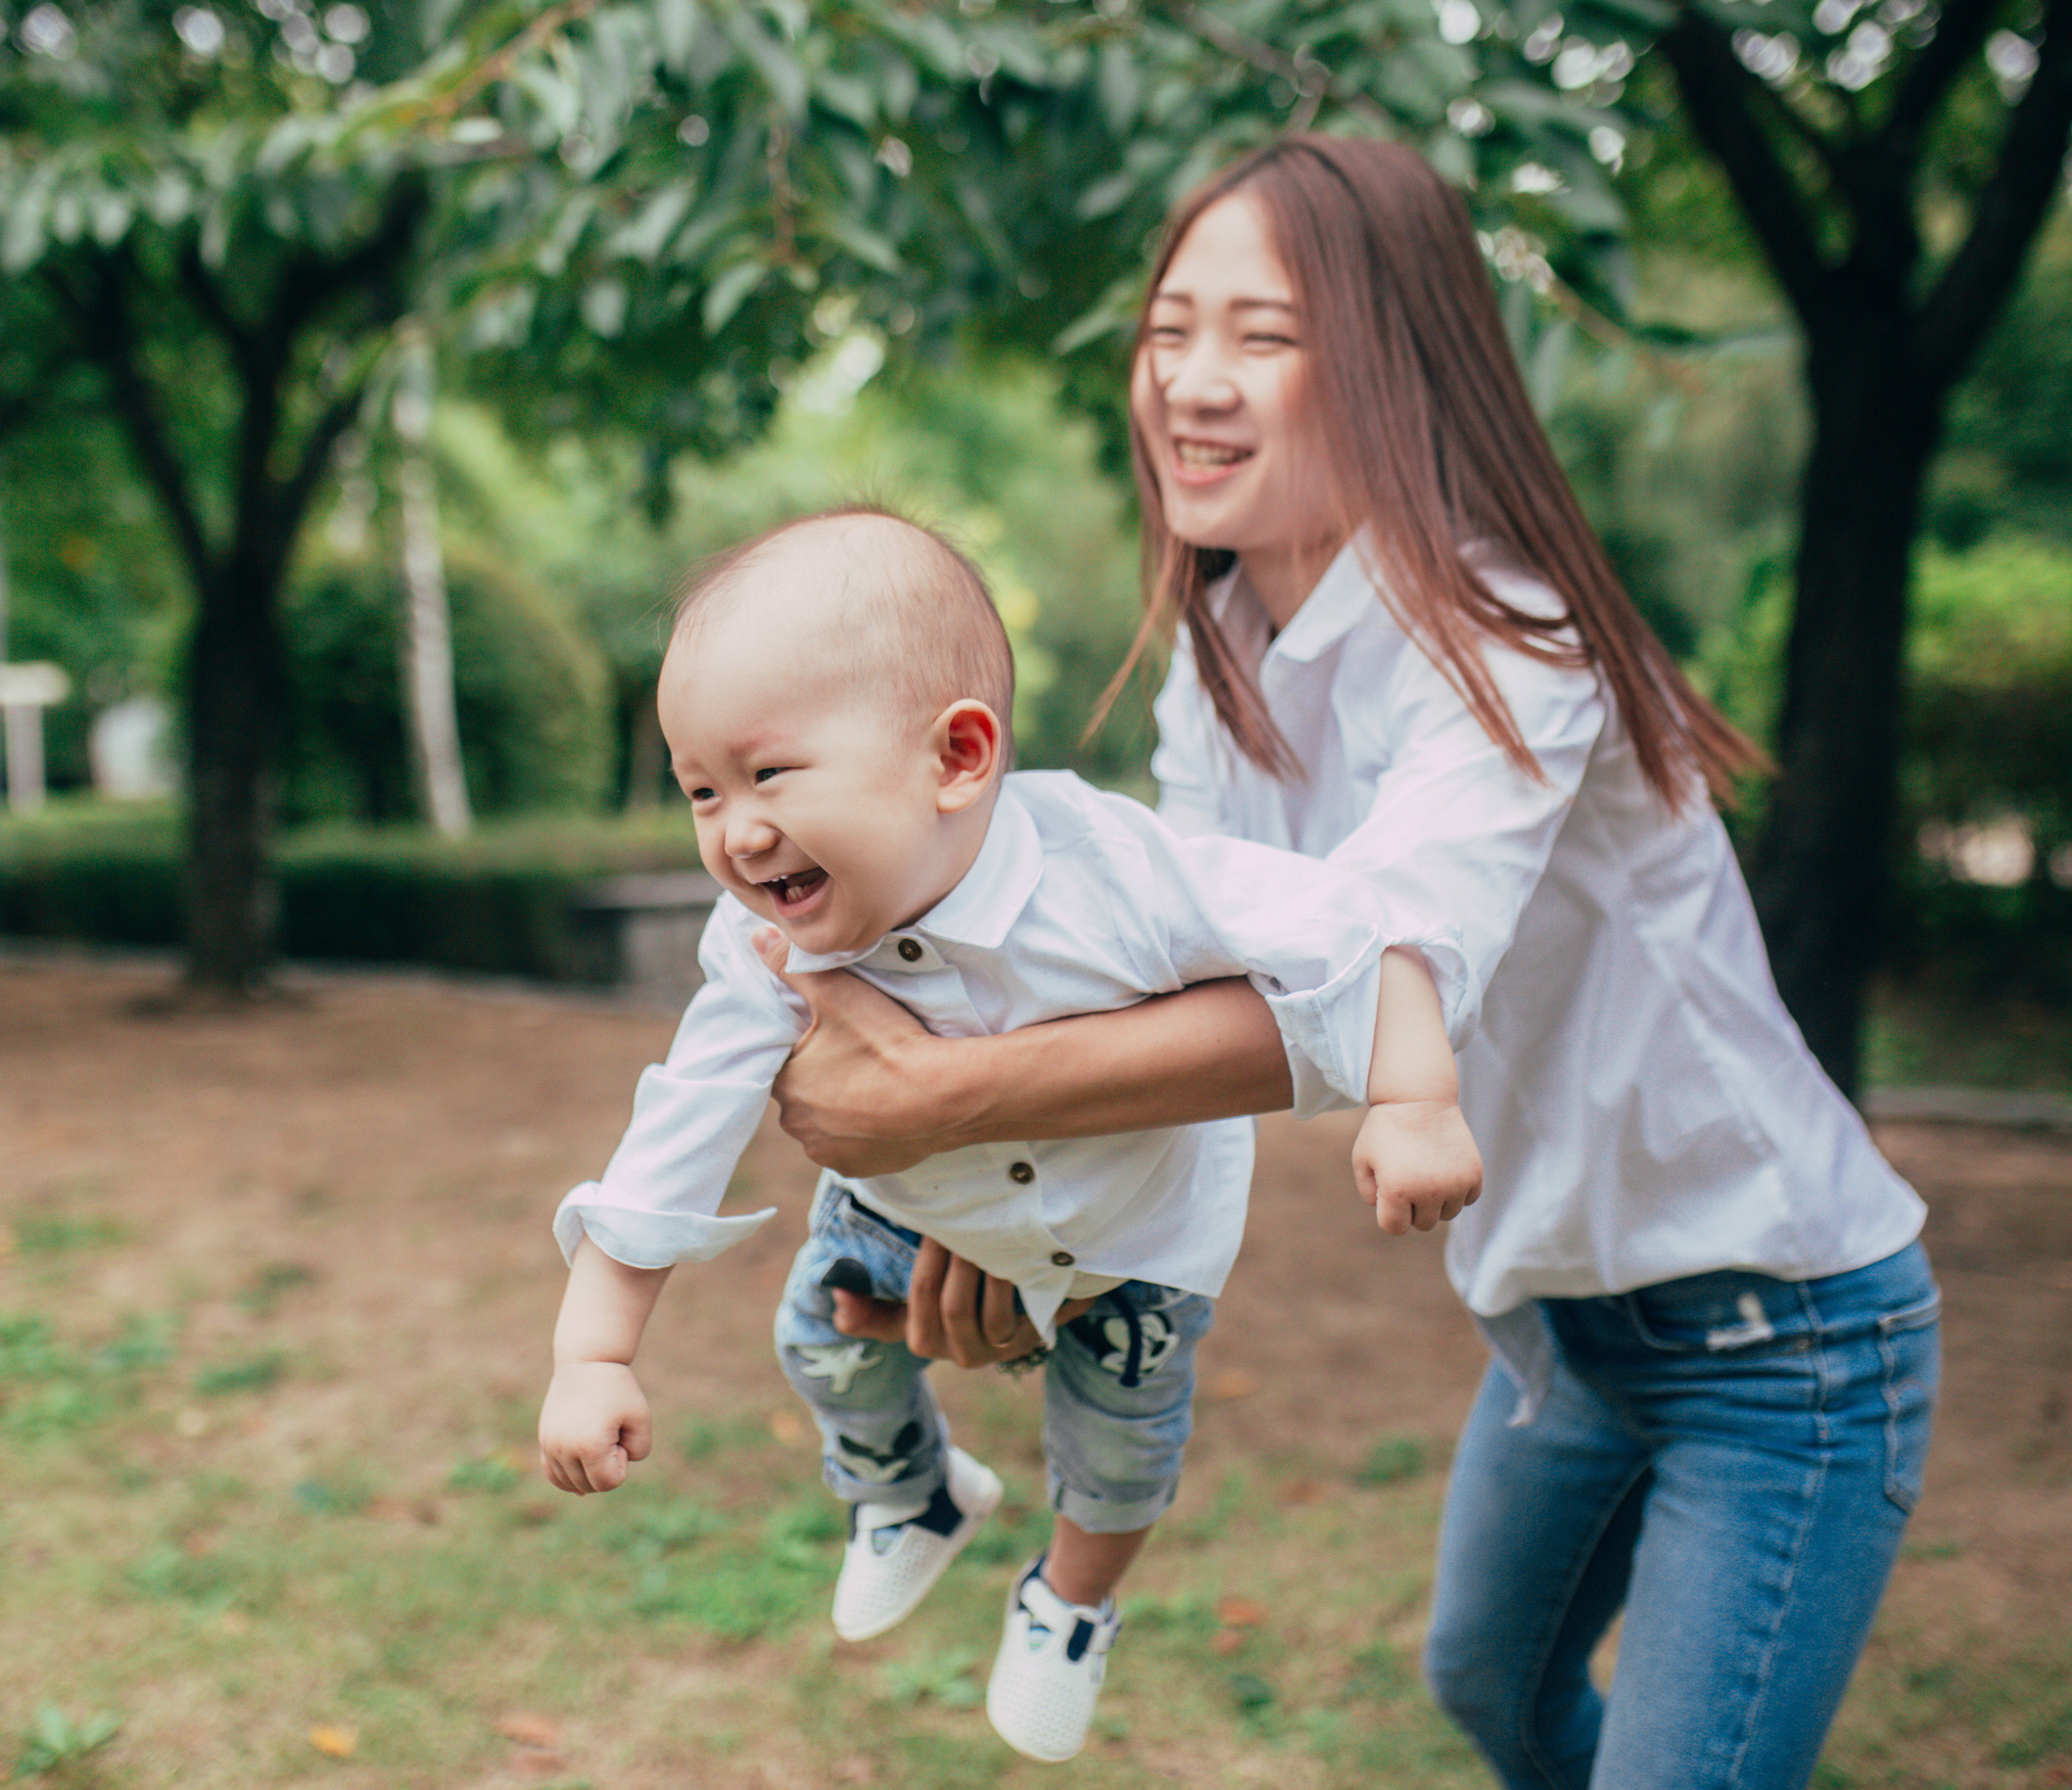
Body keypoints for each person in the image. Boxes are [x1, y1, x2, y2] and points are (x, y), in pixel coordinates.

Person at [753, 140, 1942, 1790]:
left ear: (1401, 366)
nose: (1195, 384)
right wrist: (1016, 1227)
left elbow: (1374, 992)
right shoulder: (1228, 649)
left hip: (1781, 1332)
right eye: (1172, 330)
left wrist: (939, 1095)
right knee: (1494, 1686)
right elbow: (1151, 986)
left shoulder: (1508, 641)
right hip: (1562, 1328)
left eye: (1266, 335)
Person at [536, 506, 1483, 1764]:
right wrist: (594, 1352)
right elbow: (679, 1126)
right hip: (903, 1215)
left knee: (1121, 1451)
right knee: (821, 1342)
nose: (733, 830)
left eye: (768, 774)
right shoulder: (760, 948)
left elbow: (1358, 930)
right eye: (701, 790)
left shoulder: (1120, 875)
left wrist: (1416, 1100)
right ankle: (912, 1497)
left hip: (1131, 1242)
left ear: (959, 755)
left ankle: (1071, 1603)